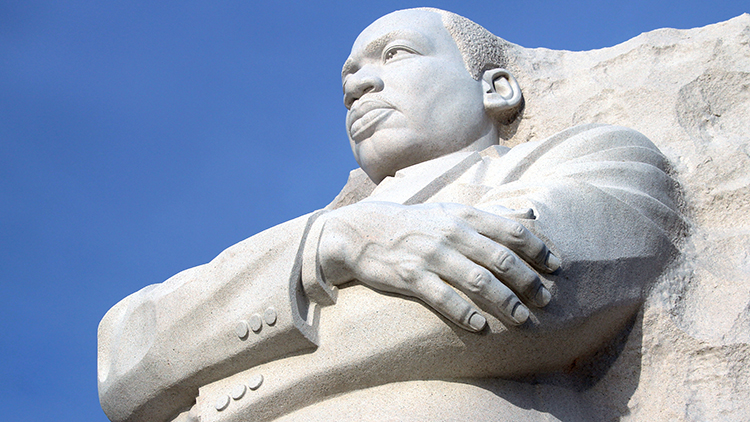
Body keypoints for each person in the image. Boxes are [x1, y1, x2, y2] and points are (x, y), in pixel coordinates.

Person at [98, 8, 682, 422]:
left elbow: (516, 294)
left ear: (497, 89)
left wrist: (214, 381)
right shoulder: (313, 232)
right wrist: (332, 243)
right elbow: (122, 358)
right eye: (348, 80)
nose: (358, 85)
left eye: (395, 54)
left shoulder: (592, 157)